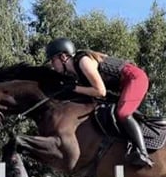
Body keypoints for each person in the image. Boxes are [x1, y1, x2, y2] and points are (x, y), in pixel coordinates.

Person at [44, 38, 154, 168]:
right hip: (122, 86)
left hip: (134, 78)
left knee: (123, 113)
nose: (52, 64)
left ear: (63, 57)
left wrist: (74, 88)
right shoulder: (75, 72)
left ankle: (142, 153)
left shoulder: (83, 62)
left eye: (53, 60)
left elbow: (100, 91)